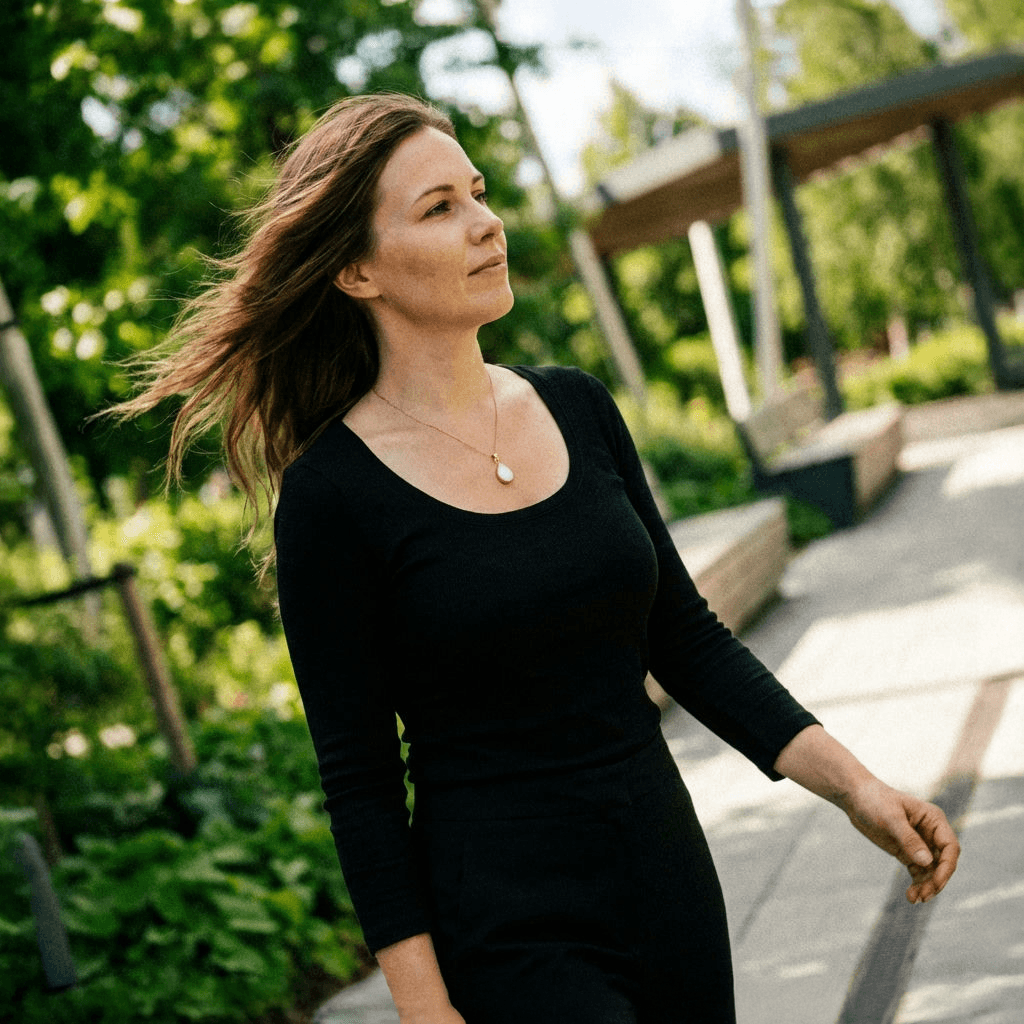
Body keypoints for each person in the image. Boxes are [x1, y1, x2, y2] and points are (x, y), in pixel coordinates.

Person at [113, 94, 959, 1024]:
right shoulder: (331, 495)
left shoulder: (577, 407)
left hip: (667, 881)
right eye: (440, 208)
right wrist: (425, 1009)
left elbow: (688, 642)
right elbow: (360, 783)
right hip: (508, 925)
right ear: (356, 270)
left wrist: (857, 788)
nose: (487, 223)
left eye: (478, 193)